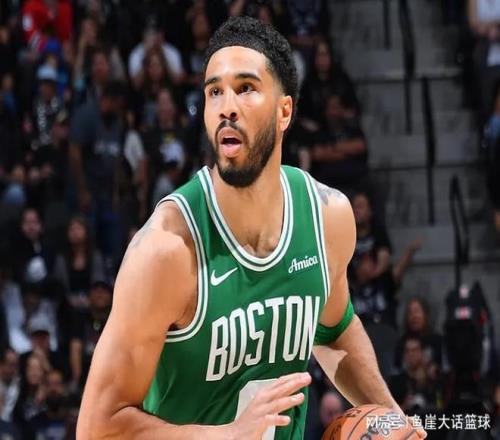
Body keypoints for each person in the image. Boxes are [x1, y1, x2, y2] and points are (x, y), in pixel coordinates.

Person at [77, 17, 426, 439]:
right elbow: (98, 427)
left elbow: (334, 332)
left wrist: (393, 419)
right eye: (215, 91)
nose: (227, 106)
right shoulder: (166, 251)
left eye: (245, 88)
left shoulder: (326, 218)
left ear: (284, 111)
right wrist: (227, 436)